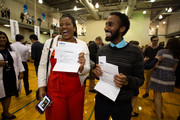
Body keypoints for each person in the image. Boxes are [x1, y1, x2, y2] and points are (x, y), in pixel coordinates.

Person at [38, 13, 90, 120]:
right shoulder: (50, 43)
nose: (64, 27)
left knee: (75, 117)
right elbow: (43, 66)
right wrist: (41, 87)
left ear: (74, 28)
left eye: (68, 24)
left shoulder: (82, 45)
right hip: (54, 90)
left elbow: (87, 68)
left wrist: (82, 67)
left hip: (75, 91)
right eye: (61, 25)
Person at [94, 12, 144, 120]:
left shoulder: (135, 52)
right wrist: (97, 73)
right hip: (101, 101)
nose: (105, 28)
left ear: (121, 29)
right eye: (106, 24)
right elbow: (99, 77)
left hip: (123, 104)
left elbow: (140, 79)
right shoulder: (102, 50)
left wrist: (126, 80)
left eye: (110, 25)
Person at [149, 38, 180, 120]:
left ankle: (159, 116)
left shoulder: (162, 52)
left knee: (157, 95)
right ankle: (158, 110)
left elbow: (155, 65)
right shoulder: (177, 54)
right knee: (160, 94)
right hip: (169, 75)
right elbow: (174, 68)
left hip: (159, 74)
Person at [0, 31, 24, 119]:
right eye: (0, 38)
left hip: (10, 75)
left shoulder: (11, 49)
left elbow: (18, 60)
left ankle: (5, 112)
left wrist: (21, 71)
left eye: (4, 37)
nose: (2, 39)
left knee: (8, 95)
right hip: (0, 76)